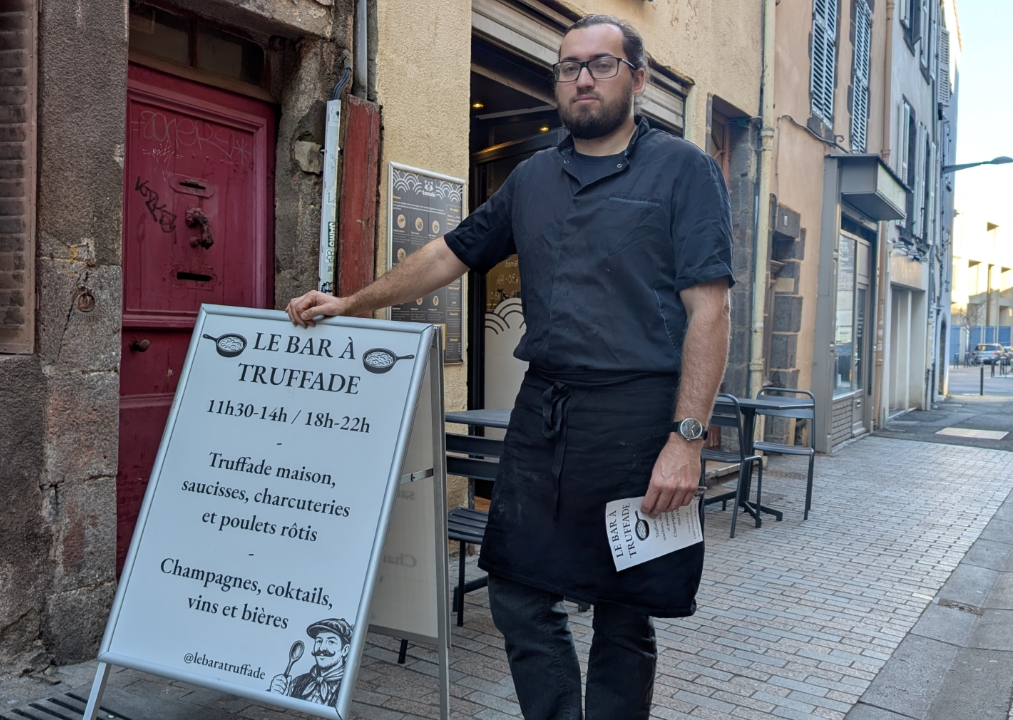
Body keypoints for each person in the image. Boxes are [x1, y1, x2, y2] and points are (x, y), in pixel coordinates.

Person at [286, 14, 732, 720]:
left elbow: (710, 311)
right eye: (568, 66)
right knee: (516, 593)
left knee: (625, 612)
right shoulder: (533, 178)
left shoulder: (686, 171)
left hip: (640, 419)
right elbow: (447, 253)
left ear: (639, 79)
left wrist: (686, 438)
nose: (582, 78)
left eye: (601, 64)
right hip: (545, 413)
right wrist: (351, 302)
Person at [268, 618, 352, 707]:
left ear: (345, 650)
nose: (322, 648)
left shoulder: (345, 689)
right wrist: (276, 694)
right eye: (319, 641)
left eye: (331, 642)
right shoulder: (298, 682)